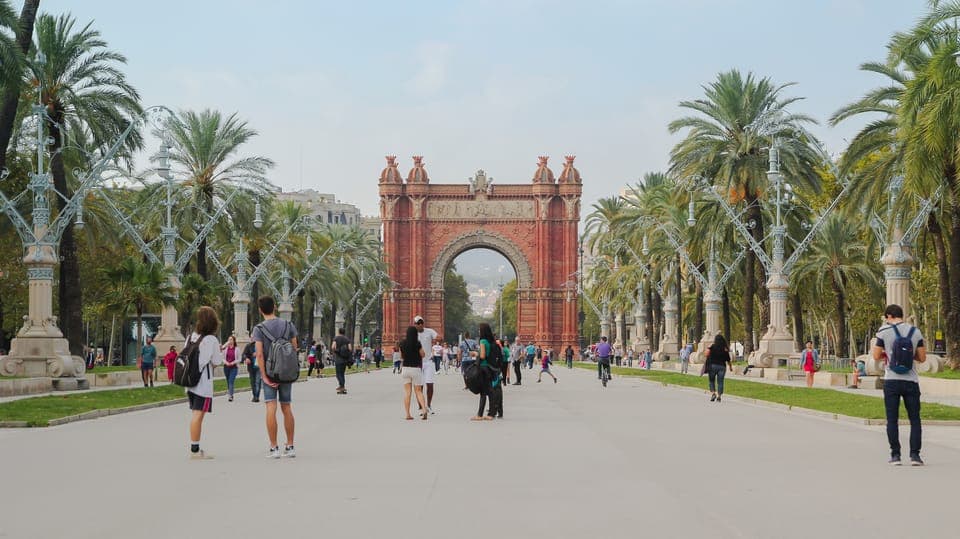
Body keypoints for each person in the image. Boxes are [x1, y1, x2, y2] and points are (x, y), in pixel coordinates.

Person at [872, 304, 926, 466]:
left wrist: (890, 354)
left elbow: (875, 356)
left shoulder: (883, 332)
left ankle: (895, 455)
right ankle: (915, 456)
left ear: (889, 316)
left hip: (892, 380)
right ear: (901, 315)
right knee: (915, 419)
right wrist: (908, 356)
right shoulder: (915, 332)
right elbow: (922, 358)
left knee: (892, 419)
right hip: (911, 381)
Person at [252, 295, 299, 459]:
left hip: (270, 374)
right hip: (285, 372)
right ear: (275, 307)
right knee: (286, 407)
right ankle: (291, 446)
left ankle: (274, 448)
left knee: (271, 408)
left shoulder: (259, 329)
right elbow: (294, 348)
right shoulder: (288, 325)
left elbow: (259, 354)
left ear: (260, 310)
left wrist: (264, 376)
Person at [184, 306, 224, 460]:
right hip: (203, 384)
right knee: (198, 415)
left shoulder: (191, 337)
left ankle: (196, 448)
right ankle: (195, 450)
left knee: (195, 414)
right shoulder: (212, 340)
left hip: (190, 383)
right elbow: (216, 361)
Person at [399, 326, 429, 420]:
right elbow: (423, 354)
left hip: (405, 369)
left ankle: (408, 414)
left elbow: (401, 357)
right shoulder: (417, 343)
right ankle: (424, 410)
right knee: (419, 391)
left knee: (407, 392)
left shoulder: (402, 343)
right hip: (416, 369)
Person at [475, 323, 503, 420]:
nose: (478, 331)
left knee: (484, 392)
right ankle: (489, 414)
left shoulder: (482, 341)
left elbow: (482, 356)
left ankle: (482, 415)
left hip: (483, 367)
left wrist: (475, 353)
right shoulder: (491, 341)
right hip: (490, 368)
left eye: (479, 329)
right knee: (489, 391)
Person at [414, 315, 439, 413]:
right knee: (419, 385)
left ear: (423, 323)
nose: (419, 325)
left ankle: (428, 405)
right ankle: (421, 406)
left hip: (428, 361)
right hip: (417, 362)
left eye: (421, 323)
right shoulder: (413, 333)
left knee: (430, 384)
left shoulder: (429, 331)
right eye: (417, 323)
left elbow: (438, 337)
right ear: (415, 324)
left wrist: (437, 339)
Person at [706, 334, 733, 402]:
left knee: (711, 380)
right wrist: (730, 367)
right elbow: (728, 359)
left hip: (712, 366)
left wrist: (708, 348)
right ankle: (719, 396)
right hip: (722, 367)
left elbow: (706, 354)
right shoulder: (725, 349)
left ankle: (713, 393)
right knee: (720, 382)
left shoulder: (712, 347)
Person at [331, 328, 352, 394]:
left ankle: (342, 386)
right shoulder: (347, 339)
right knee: (342, 373)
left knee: (338, 374)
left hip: (338, 358)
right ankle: (341, 386)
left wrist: (337, 351)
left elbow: (333, 347)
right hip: (345, 359)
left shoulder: (336, 338)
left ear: (339, 332)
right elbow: (350, 348)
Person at [221, 335, 239, 401]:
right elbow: (222, 358)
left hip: (234, 367)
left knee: (231, 381)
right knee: (228, 381)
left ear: (234, 341)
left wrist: (233, 362)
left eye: (231, 339)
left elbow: (239, 359)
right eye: (229, 339)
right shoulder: (225, 349)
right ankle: (230, 393)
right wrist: (226, 363)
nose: (230, 341)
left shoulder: (237, 349)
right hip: (226, 367)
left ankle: (230, 396)